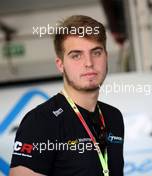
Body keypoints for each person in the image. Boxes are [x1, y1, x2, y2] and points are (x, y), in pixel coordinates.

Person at [9, 15, 124, 176]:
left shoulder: (113, 117)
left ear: (106, 56)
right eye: (76, 55)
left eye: (96, 52)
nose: (88, 63)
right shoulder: (41, 120)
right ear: (60, 64)